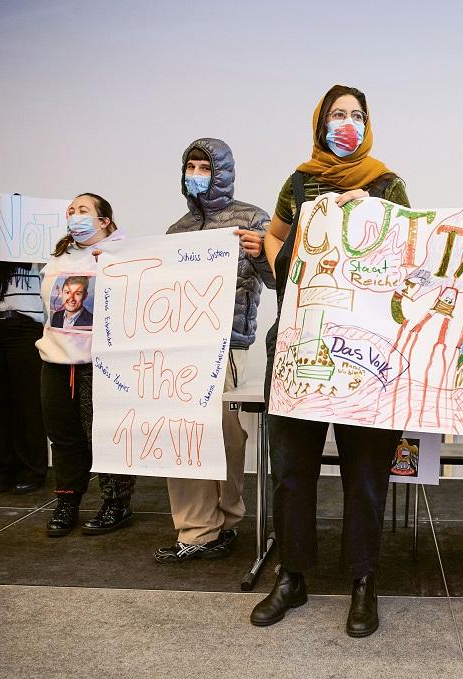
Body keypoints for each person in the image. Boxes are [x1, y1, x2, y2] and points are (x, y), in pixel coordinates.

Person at [244, 85, 409, 639]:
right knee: (293, 471)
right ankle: (293, 576)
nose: (347, 123)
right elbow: (274, 235)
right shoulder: (298, 182)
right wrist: (284, 268)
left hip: (364, 351)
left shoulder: (388, 183)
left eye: (357, 115)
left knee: (365, 474)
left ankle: (364, 581)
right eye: (338, 115)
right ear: (320, 123)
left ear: (370, 123)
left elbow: (409, 253)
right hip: (299, 343)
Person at [153, 138, 274, 564]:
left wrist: (261, 255)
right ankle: (195, 529)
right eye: (192, 165)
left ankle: (228, 517)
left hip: (226, 345)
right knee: (182, 434)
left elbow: (280, 279)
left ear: (221, 171)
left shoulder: (253, 218)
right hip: (181, 347)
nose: (197, 173)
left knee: (225, 437)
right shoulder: (177, 231)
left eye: (205, 166)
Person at [36, 193, 135, 537]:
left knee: (105, 436)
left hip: (100, 364)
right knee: (63, 437)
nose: (75, 216)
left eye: (83, 210)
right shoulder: (58, 259)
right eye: (71, 211)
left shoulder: (122, 254)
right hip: (56, 361)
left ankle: (116, 502)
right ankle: (67, 501)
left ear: (104, 220)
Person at [0, 258, 48, 494]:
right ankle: (1, 470)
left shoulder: (31, 234)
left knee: (29, 403)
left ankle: (33, 470)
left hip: (25, 326)